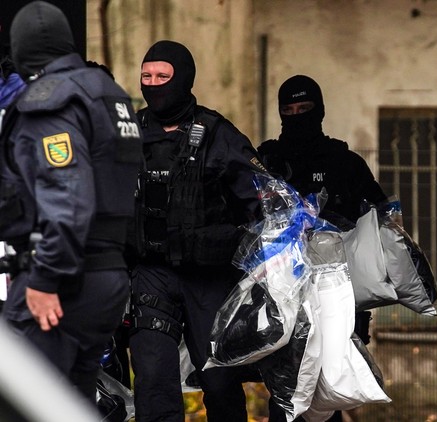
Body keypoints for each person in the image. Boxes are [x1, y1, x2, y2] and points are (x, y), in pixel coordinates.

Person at [0, 0, 142, 413]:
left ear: (22, 47)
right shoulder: (108, 94)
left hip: (65, 281)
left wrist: (45, 279)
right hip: (107, 277)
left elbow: (68, 200)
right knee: (70, 406)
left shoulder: (52, 99)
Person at [127, 40, 266, 422]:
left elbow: (262, 202)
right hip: (151, 275)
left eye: (163, 76)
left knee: (220, 382)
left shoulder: (218, 135)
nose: (153, 84)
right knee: (153, 381)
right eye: (146, 76)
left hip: (210, 279)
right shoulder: (129, 133)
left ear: (184, 79)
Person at [258, 74, 388, 422]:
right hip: (284, 298)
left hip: (336, 297)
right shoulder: (267, 161)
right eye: (289, 110)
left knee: (327, 396)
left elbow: (381, 223)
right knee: (286, 395)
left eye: (305, 108)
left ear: (321, 111)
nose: (296, 116)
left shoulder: (344, 163)